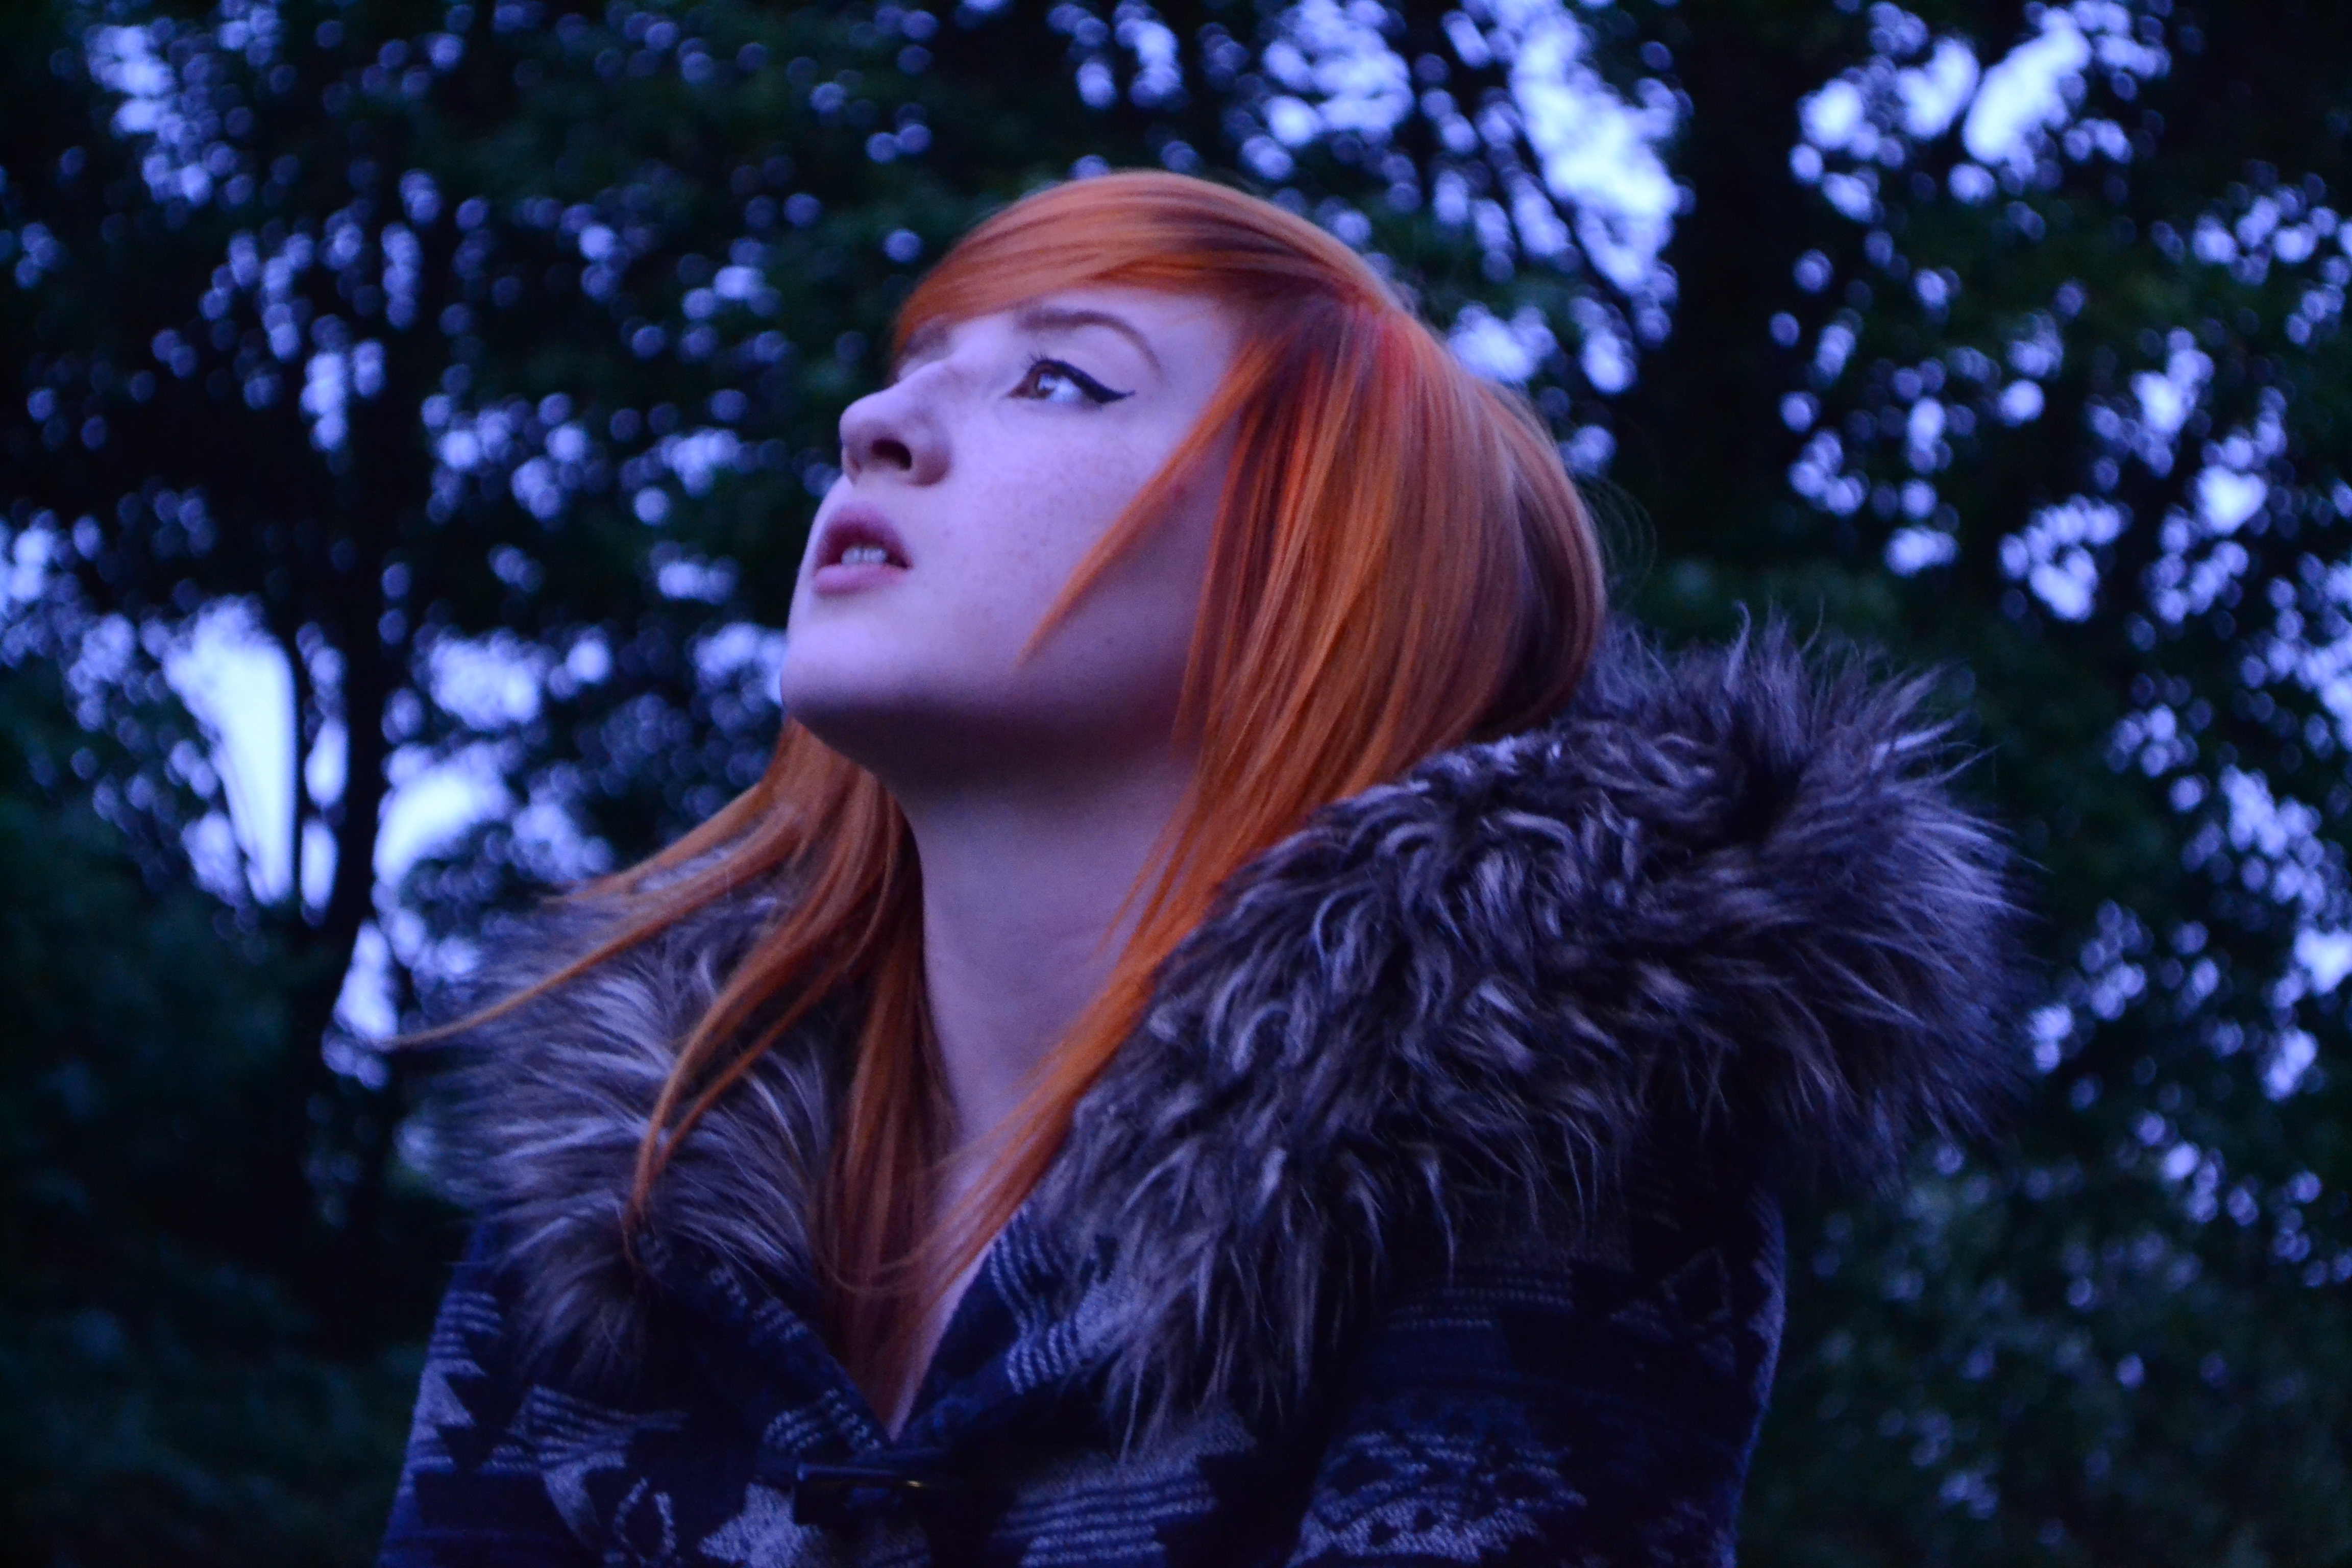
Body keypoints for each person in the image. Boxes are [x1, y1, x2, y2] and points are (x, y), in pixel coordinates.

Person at [379, 170, 2023, 1567]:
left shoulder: (1519, 1149)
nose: (875, 425)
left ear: (1316, 578)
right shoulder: (632, 1189)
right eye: (918, 368)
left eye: (1058, 381)